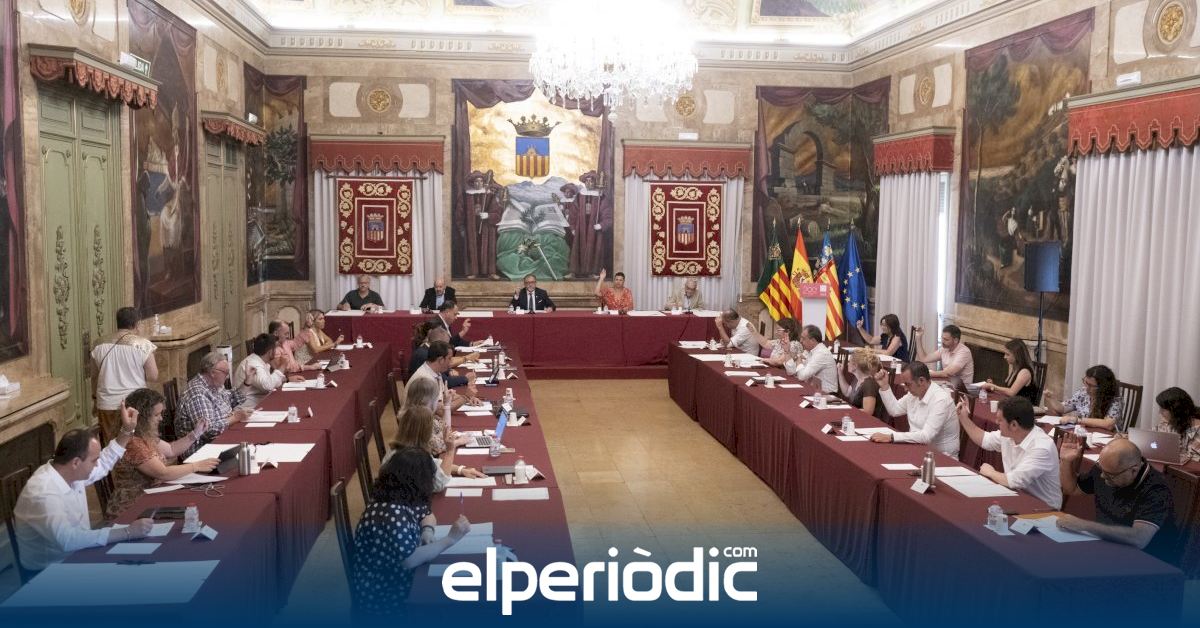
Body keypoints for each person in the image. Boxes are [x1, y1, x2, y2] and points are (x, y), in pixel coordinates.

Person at [13, 406, 154, 572]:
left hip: (79, 555)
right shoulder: (43, 492)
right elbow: (68, 540)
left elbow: (104, 462)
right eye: (94, 460)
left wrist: (127, 430)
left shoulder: (69, 471)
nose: (96, 464)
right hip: (50, 571)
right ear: (76, 462)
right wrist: (127, 532)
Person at [352, 447, 472, 616]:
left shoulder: (397, 493)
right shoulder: (391, 512)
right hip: (386, 596)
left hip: (398, 578)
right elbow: (409, 560)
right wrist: (450, 539)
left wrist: (427, 531)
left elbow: (427, 514)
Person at [105, 388, 220, 520]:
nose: (160, 418)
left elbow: (171, 449)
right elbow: (163, 473)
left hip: (151, 496)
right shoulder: (133, 443)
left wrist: (196, 433)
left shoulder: (144, 435)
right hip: (133, 507)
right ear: (142, 417)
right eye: (156, 415)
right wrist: (196, 466)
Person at [1058, 436, 1175, 558]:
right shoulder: (1106, 468)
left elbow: (1139, 539)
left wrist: (1084, 525)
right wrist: (1066, 461)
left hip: (1142, 558)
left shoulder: (1156, 489)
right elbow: (1071, 489)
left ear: (1133, 470)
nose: (1102, 476)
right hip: (1104, 546)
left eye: (1109, 475)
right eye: (1101, 469)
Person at [955, 396, 1062, 508]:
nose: (996, 422)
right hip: (1017, 497)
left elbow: (1014, 481)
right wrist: (963, 418)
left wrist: (990, 472)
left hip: (1044, 508)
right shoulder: (1009, 435)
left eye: (1000, 420)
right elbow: (984, 439)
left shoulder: (1042, 448)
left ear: (1014, 425)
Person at [90, 306, 158, 441]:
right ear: (137, 324)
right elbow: (153, 376)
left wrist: (94, 399)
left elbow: (94, 376)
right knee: (134, 445)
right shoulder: (143, 345)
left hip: (106, 403)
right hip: (134, 403)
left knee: (110, 444)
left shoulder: (98, 344)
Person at [869, 362, 959, 457]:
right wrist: (884, 386)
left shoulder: (941, 400)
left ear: (921, 381)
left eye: (908, 384)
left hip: (941, 457)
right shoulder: (913, 394)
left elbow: (926, 436)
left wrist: (891, 437)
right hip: (917, 449)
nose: (905, 389)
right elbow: (894, 410)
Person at [388, 404, 485, 489]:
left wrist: (460, 470)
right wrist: (450, 451)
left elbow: (433, 463)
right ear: (425, 432)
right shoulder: (408, 457)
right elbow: (439, 484)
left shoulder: (406, 446)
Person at [174, 351, 249, 458]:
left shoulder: (213, 385)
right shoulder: (198, 394)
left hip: (218, 441)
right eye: (226, 372)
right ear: (213, 372)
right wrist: (234, 418)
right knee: (247, 452)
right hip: (200, 451)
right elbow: (207, 431)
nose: (227, 377)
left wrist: (247, 382)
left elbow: (232, 399)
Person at [1044, 364, 1124, 431]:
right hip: (1086, 432)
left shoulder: (1115, 400)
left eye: (1091, 385)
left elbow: (1108, 424)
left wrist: (1077, 420)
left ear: (1103, 388)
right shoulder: (1083, 393)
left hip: (1108, 438)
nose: (1086, 387)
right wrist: (1052, 399)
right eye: (1086, 382)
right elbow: (1063, 408)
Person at [233, 333, 303, 409]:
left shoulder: (261, 360)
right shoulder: (253, 364)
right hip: (248, 409)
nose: (279, 352)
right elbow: (267, 385)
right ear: (270, 352)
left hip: (260, 403)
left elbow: (269, 380)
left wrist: (286, 380)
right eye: (276, 349)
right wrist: (282, 366)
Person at [408, 341, 478, 411]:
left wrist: (468, 398)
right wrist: (465, 397)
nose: (451, 362)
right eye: (449, 358)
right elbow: (441, 411)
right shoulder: (425, 380)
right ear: (441, 360)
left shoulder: (435, 372)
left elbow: (443, 396)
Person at [409, 326, 477, 389]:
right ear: (438, 343)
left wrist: (449, 370)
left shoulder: (427, 349)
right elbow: (445, 382)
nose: (447, 347)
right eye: (446, 344)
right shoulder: (425, 354)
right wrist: (465, 378)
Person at [913, 324, 974, 388]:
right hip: (947, 384)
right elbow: (924, 358)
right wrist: (918, 338)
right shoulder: (944, 349)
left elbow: (947, 373)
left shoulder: (964, 352)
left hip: (962, 389)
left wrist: (927, 373)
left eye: (946, 339)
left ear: (956, 340)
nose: (942, 341)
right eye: (942, 338)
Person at [980, 338, 1039, 403]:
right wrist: (992, 386)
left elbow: (1011, 392)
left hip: (1022, 406)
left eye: (1007, 354)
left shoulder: (1024, 371)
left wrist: (994, 386)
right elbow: (1007, 388)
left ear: (1017, 355)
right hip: (1013, 403)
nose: (1004, 357)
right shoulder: (1015, 368)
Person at [1155, 387, 1200, 464]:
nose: (1160, 412)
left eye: (1163, 410)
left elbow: (1194, 461)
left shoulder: (1197, 430)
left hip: (1188, 469)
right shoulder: (1173, 422)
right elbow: (1154, 435)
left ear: (1176, 411)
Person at [838, 348, 886, 420]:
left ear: (855, 366)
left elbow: (868, 412)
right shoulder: (858, 379)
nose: (847, 364)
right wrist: (840, 373)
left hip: (867, 422)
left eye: (849, 362)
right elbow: (847, 392)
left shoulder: (869, 384)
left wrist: (848, 411)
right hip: (856, 417)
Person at [794, 325, 838, 393]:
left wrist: (799, 360)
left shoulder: (821, 353)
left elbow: (802, 376)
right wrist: (787, 352)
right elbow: (793, 372)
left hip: (827, 394)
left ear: (813, 340)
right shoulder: (810, 350)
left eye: (803, 338)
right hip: (815, 390)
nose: (800, 341)